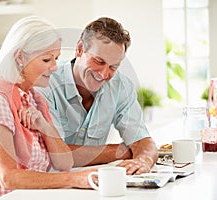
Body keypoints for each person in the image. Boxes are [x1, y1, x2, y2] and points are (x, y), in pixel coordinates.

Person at [0, 16, 95, 200]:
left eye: (56, 59)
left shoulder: (33, 98)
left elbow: (65, 162)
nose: (55, 67)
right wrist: (73, 178)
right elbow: (8, 177)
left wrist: (44, 126)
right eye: (46, 59)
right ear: (20, 57)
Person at [36, 17, 158, 175]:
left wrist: (144, 160)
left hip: (95, 184)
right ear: (80, 49)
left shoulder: (121, 86)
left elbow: (143, 142)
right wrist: (123, 150)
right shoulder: (46, 83)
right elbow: (58, 154)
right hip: (52, 184)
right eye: (99, 61)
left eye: (113, 67)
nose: (104, 74)